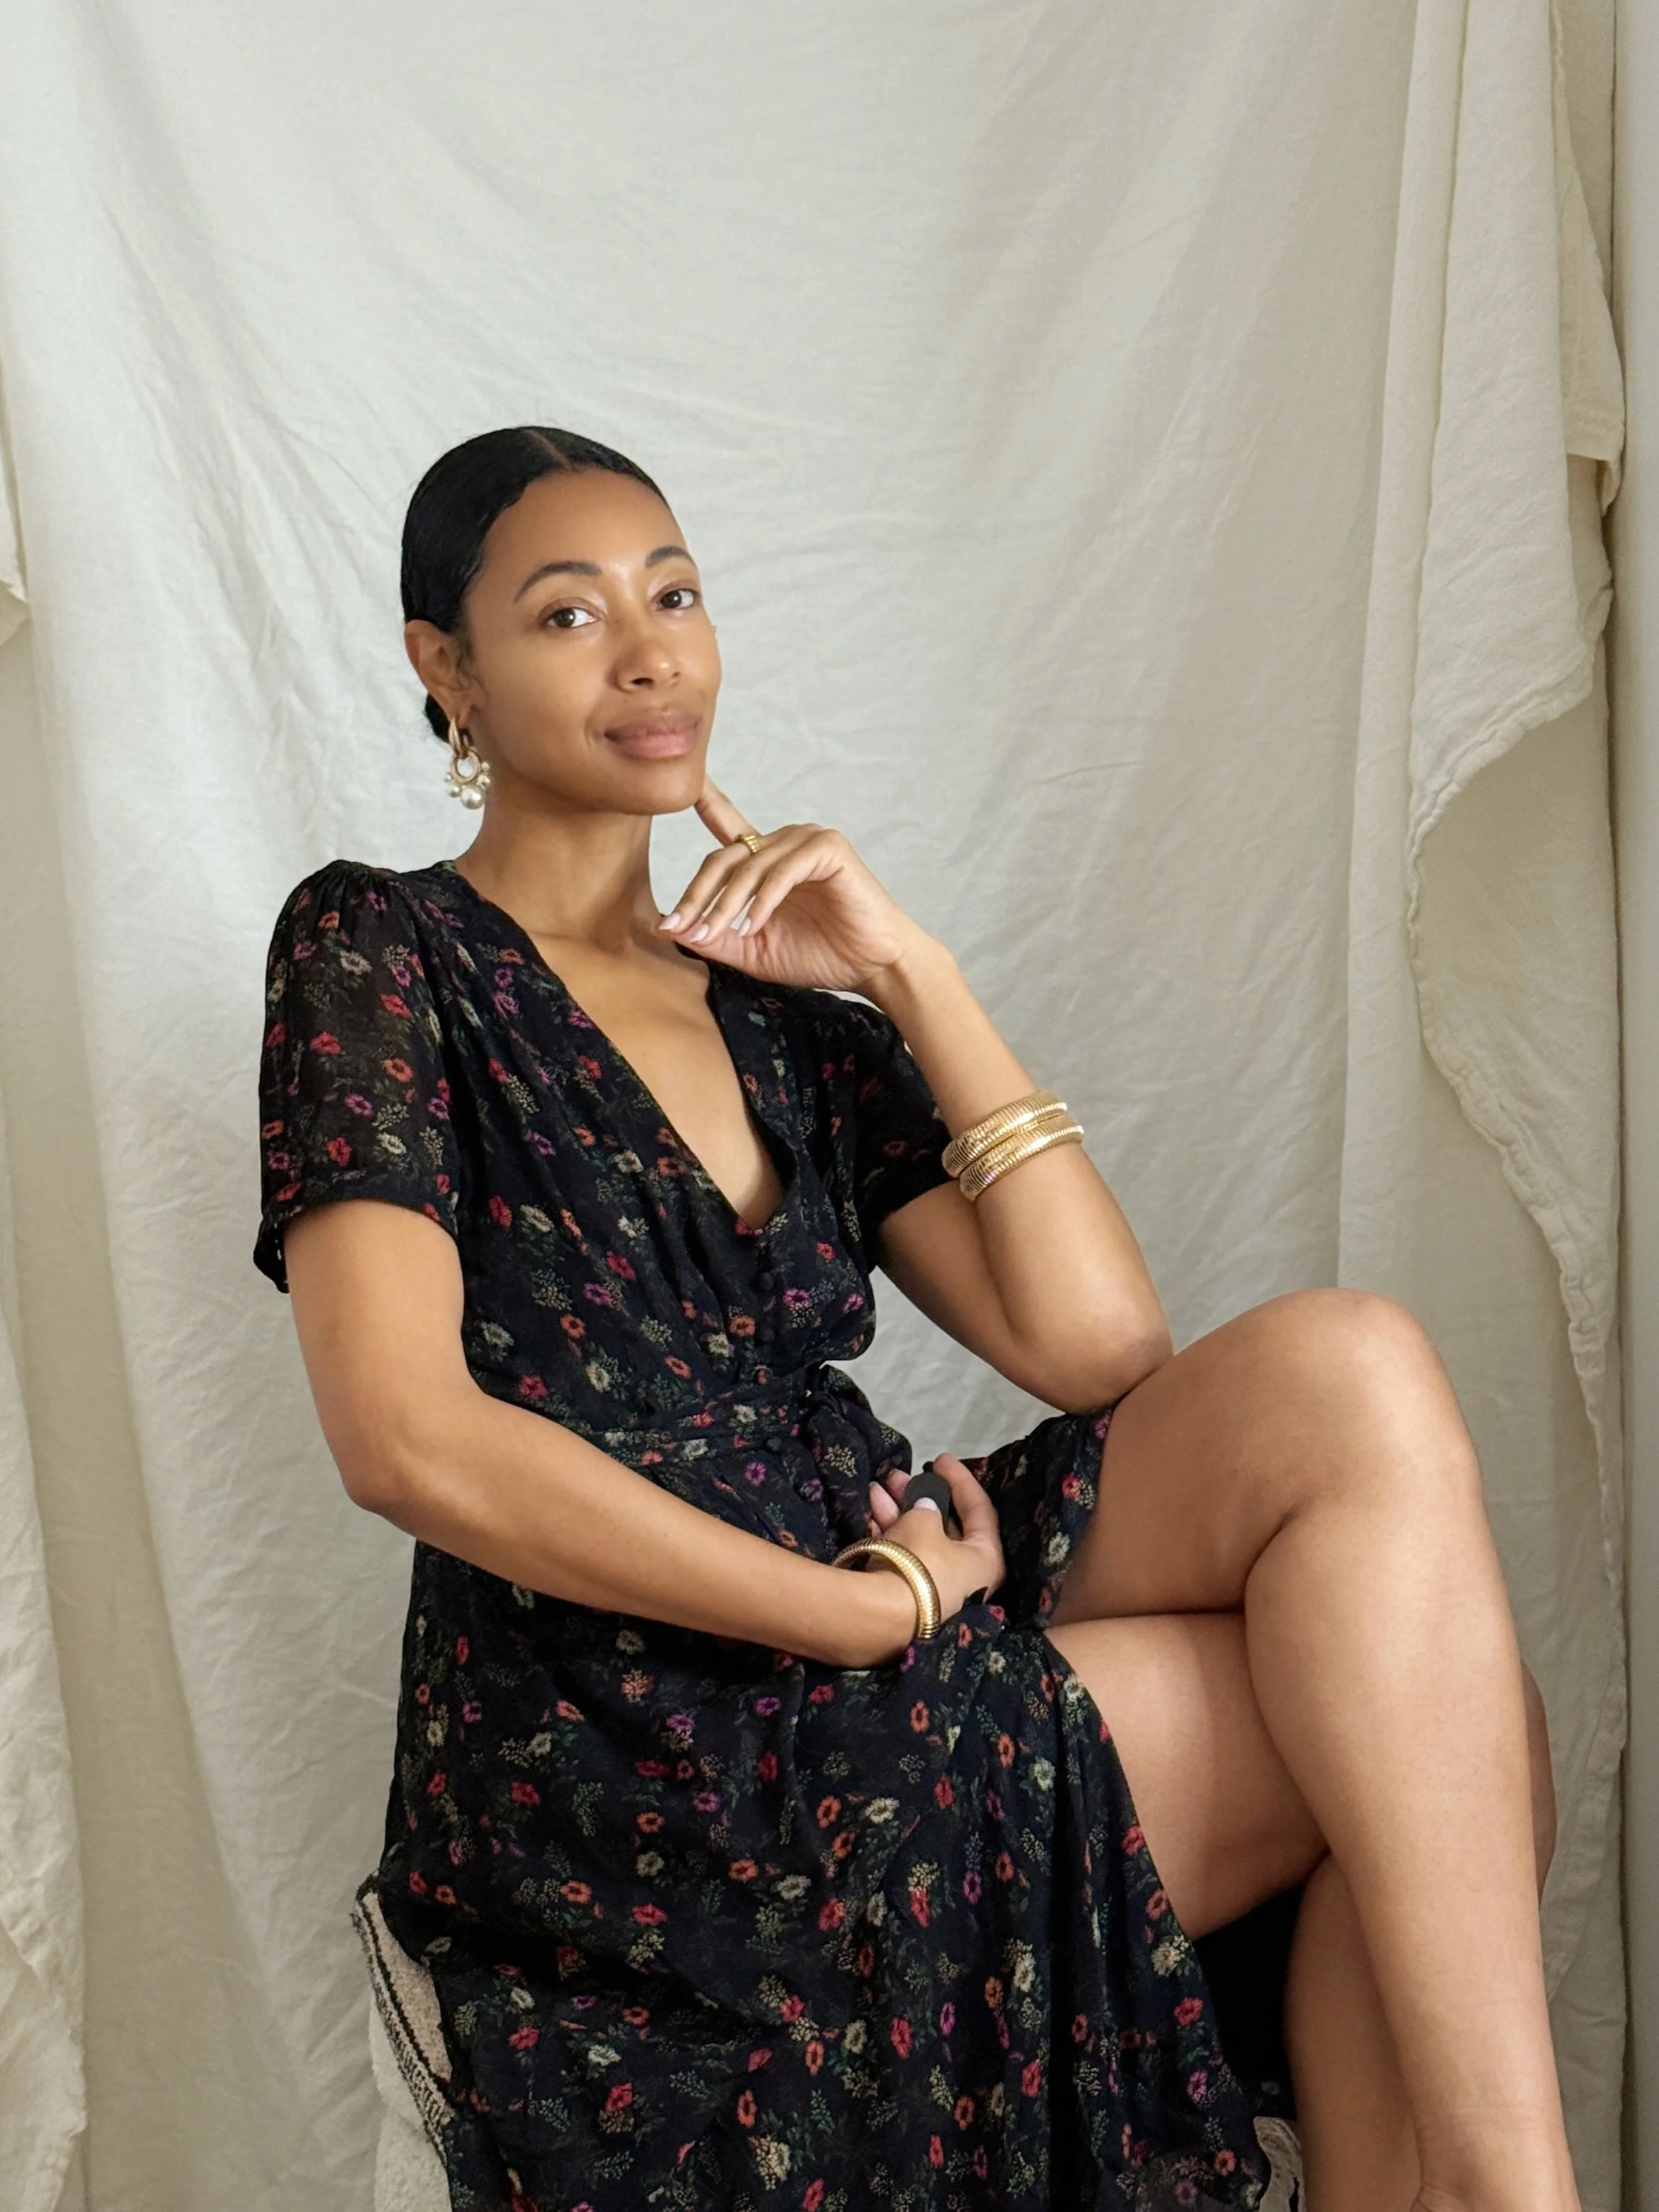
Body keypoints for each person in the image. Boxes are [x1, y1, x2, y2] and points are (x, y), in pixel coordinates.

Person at [253, 425, 1568, 2212]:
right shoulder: (380, 949)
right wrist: (849, 1613)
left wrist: (901, 965)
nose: (651, 655)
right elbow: (401, 1435)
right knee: (1424, 1732)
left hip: (886, 1571)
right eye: (567, 614)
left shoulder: (775, 1005)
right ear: (445, 667)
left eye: (677, 595)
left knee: (1350, 1381)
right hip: (631, 1723)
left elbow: (1101, 1347)